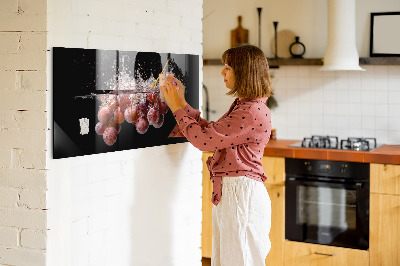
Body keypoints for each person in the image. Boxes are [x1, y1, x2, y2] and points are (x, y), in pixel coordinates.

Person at [161, 44, 273, 266]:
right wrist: (182, 103)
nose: (222, 72)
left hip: (241, 195)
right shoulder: (246, 106)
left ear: (244, 72)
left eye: (228, 67)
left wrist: (176, 108)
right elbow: (212, 133)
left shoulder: (250, 111)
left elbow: (204, 141)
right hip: (236, 193)